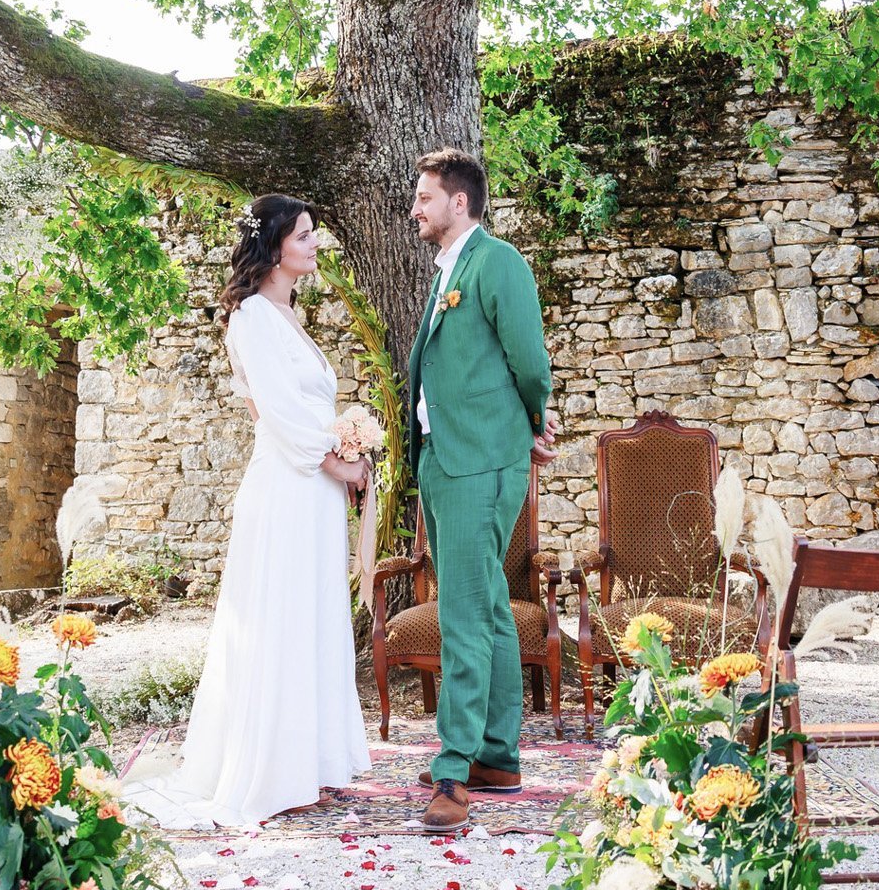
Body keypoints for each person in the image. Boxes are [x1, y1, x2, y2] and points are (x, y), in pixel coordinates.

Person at [124, 194, 372, 828]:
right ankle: (271, 768)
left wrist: (344, 451)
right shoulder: (252, 318)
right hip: (288, 486)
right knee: (281, 615)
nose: (316, 245)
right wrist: (337, 459)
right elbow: (279, 412)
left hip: (312, 488)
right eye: (306, 235)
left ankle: (310, 760)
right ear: (275, 247)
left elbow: (296, 406)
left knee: (312, 614)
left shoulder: (289, 318)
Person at [404, 148, 557, 834]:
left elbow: (530, 359)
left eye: (425, 198)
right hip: (445, 460)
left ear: (458, 202)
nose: (416, 209)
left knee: (462, 612)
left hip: (480, 465)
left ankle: (454, 770)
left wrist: (533, 422)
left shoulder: (498, 262)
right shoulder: (448, 272)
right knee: (489, 607)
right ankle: (497, 753)